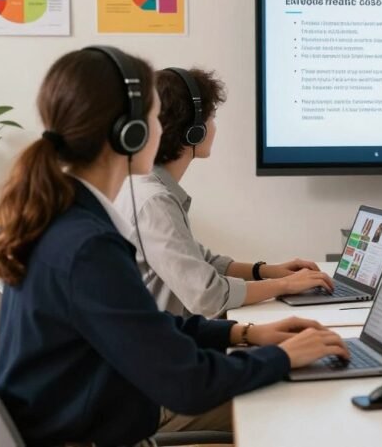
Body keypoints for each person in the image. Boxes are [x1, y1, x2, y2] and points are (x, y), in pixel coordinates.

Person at [0, 47, 349, 447]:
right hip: (98, 429)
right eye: (154, 116)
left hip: (89, 417)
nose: (161, 129)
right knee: (300, 395)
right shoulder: (87, 247)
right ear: (132, 132)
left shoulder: (66, 218)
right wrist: (283, 356)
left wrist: (245, 334)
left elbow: (147, 326)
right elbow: (188, 383)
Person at [116, 68, 333, 319]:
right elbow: (207, 296)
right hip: (163, 348)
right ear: (193, 130)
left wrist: (267, 271)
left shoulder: (147, 187)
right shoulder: (154, 201)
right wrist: (286, 286)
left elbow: (202, 261)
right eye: (211, 117)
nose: (214, 127)